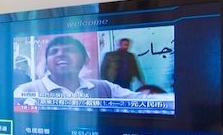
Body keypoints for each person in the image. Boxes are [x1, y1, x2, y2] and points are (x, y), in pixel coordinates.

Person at [14, 35, 144, 99]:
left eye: (69, 50)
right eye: (54, 51)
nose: (61, 54)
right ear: (47, 62)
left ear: (85, 59)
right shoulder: (26, 91)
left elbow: (143, 99)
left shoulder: (105, 88)